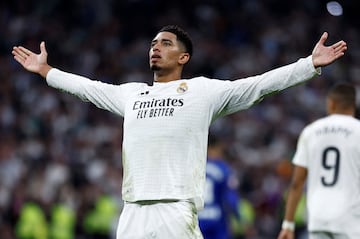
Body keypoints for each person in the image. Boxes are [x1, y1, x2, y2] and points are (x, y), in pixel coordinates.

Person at [12, 25, 346, 239]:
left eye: (166, 44)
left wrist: (308, 65)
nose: (155, 47)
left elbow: (258, 86)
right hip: (132, 211)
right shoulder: (131, 94)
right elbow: (87, 88)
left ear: (183, 56)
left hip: (175, 209)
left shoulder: (202, 92)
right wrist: (46, 71)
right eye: (153, 43)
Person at [277, 83, 360, 239]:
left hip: (318, 218)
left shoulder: (311, 131)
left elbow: (297, 183)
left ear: (331, 103)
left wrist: (288, 224)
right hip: (350, 220)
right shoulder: (358, 131)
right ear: (353, 105)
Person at [198, 134, 240, 239]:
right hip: (217, 220)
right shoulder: (223, 168)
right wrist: (238, 217)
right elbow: (230, 198)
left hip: (198, 220)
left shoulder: (195, 167)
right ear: (214, 148)